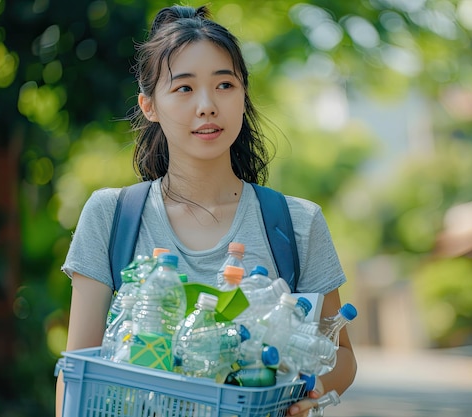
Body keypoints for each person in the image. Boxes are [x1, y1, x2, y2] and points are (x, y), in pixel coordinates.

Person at [55, 4, 357, 417]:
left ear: (243, 94)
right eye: (183, 88)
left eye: (224, 85)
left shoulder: (297, 222)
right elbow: (78, 372)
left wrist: (305, 390)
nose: (207, 106)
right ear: (149, 106)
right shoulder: (111, 216)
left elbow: (340, 353)